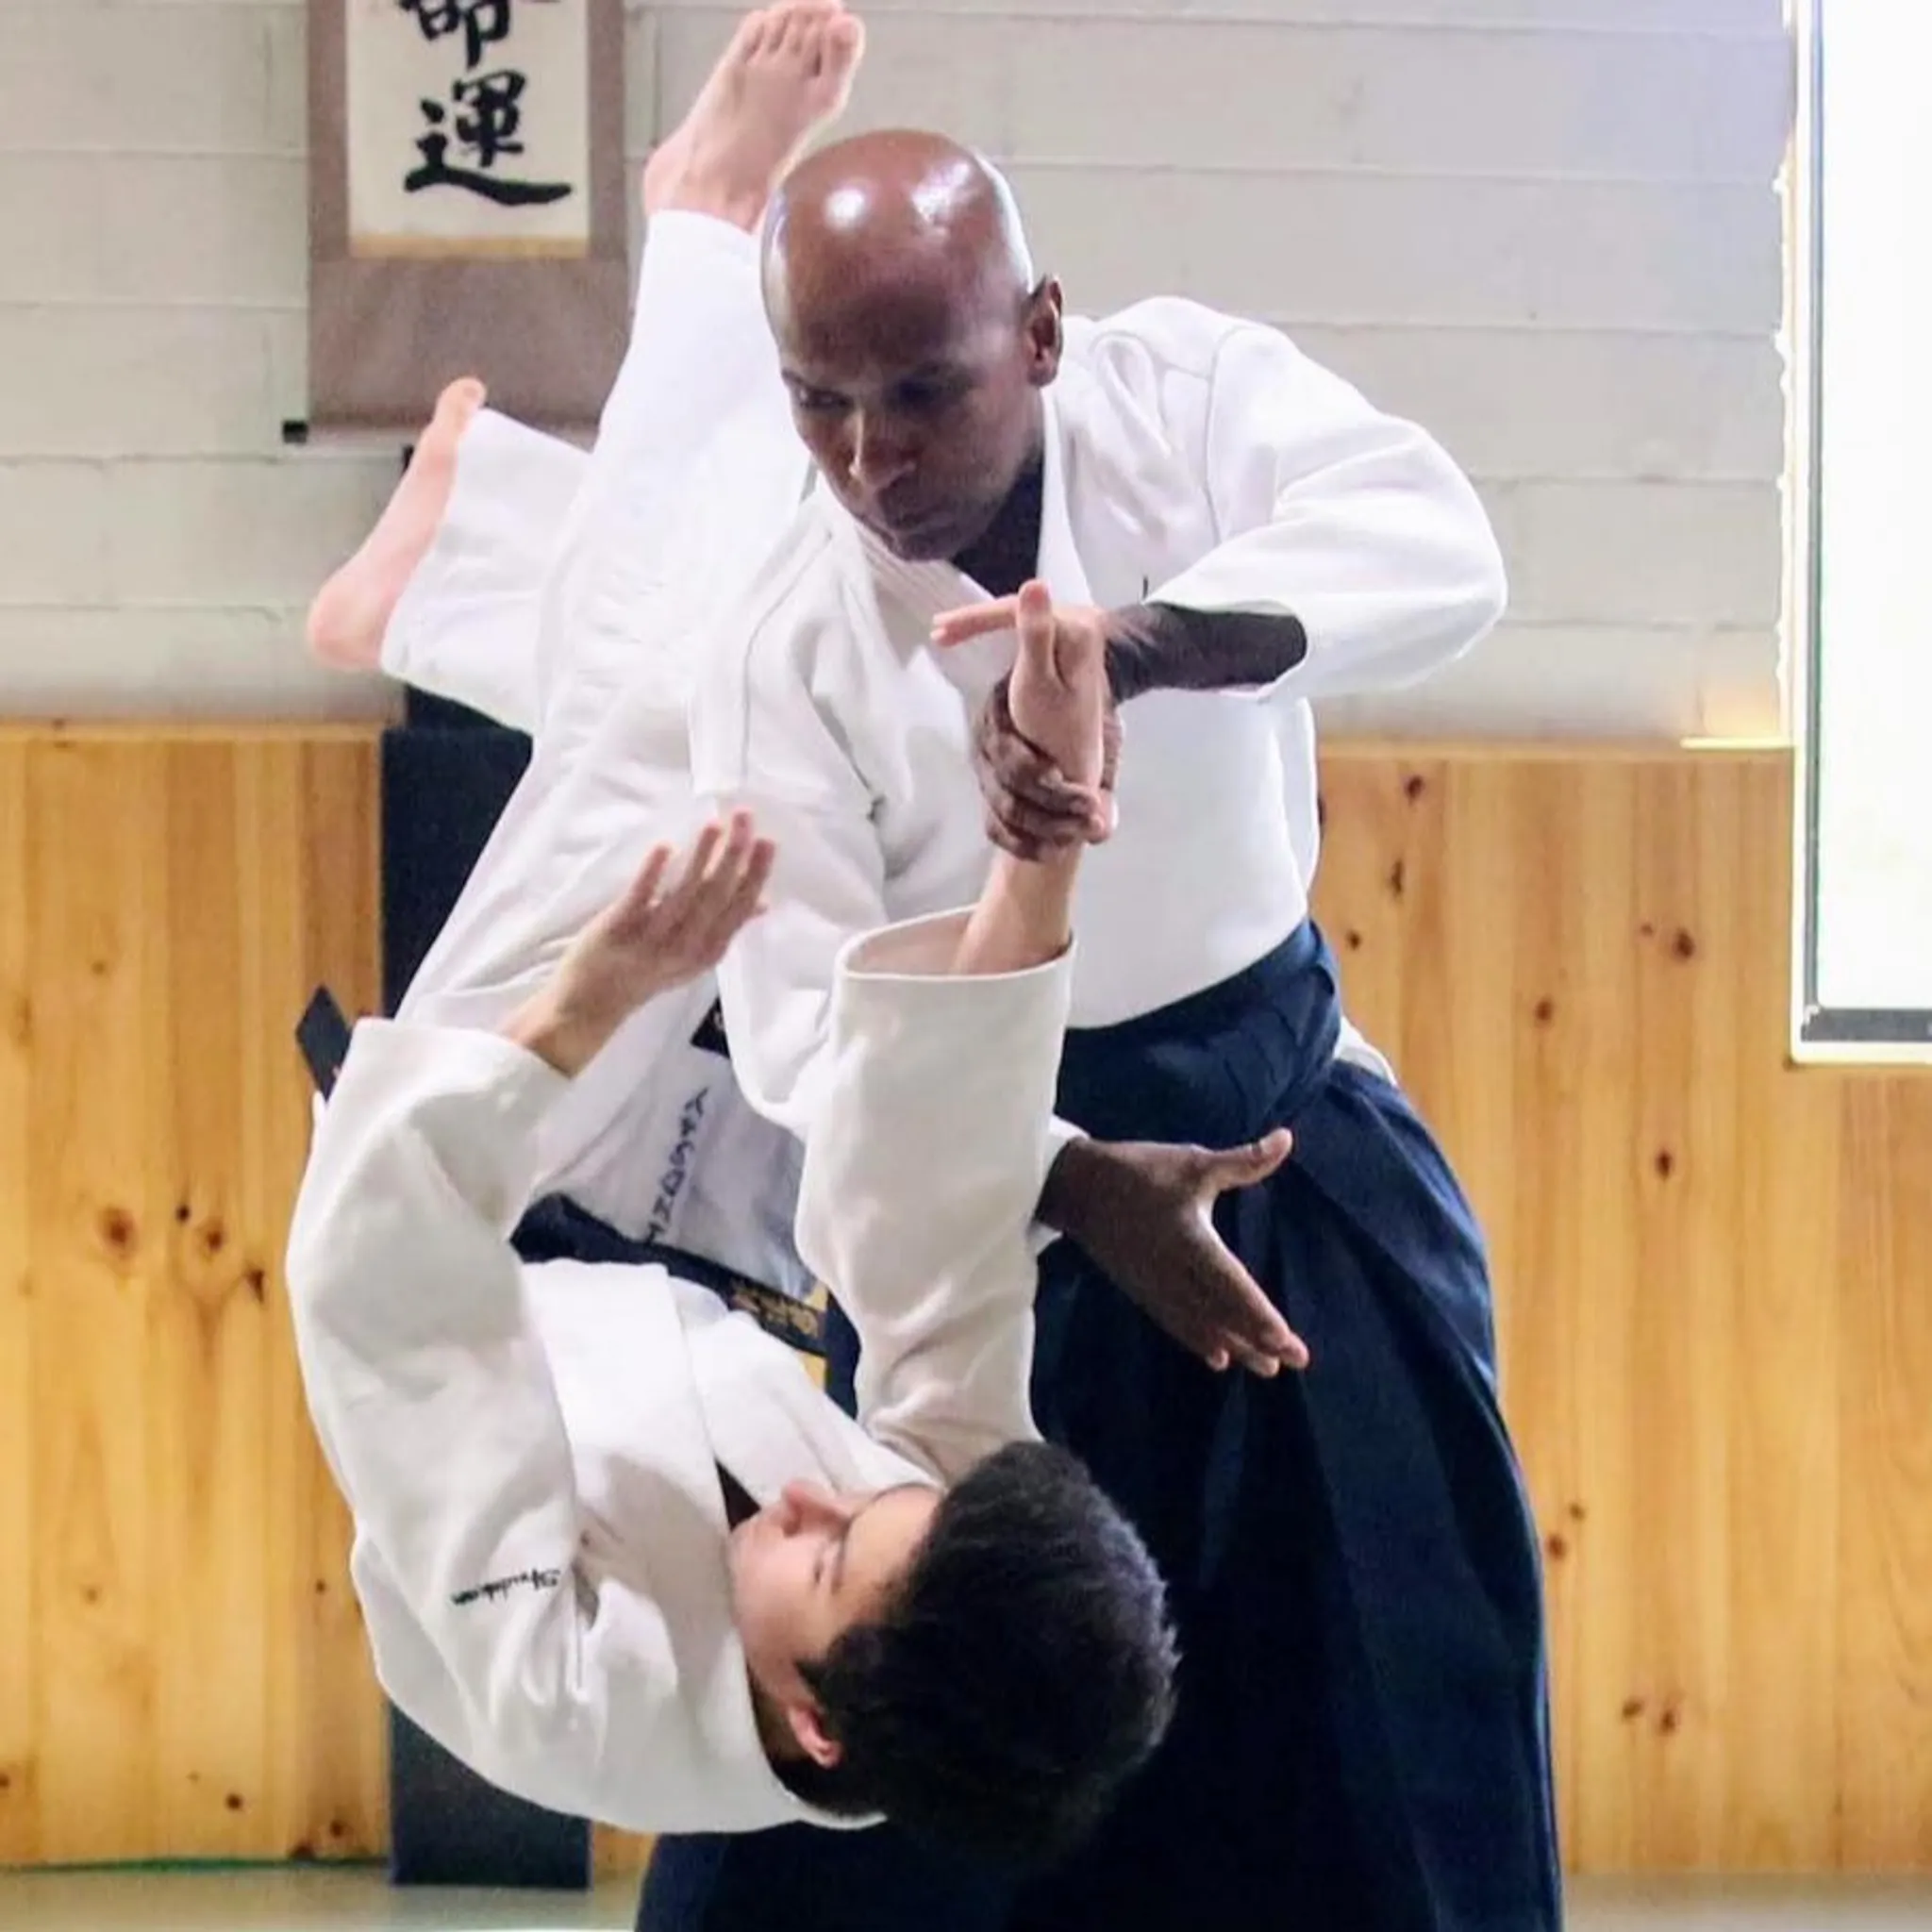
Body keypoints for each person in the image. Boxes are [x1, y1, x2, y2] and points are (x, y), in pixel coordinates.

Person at [657, 134, 1561, 1932]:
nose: (871, 457)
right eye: (819, 403)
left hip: (1285, 1152)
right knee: (900, 1805)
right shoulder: (779, 633)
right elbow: (799, 1045)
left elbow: (1442, 549)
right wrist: (1067, 1181)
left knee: (1396, 1737)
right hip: (976, 1244)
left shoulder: (1190, 399)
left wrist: (1140, 648)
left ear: (1043, 333)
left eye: (922, 392)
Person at [307, 7, 1304, 1384]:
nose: (870, 450)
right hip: (613, 1186)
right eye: (825, 402)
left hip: (624, 1212)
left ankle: (477, 548)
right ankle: (489, 530)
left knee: (663, 740)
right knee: (675, 761)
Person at [284, 561, 1182, 1859]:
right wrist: (1039, 856)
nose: (823, 1500)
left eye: (821, 1562)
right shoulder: (941, 1577)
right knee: (792, 751)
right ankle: (438, 583)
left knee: (652, 754)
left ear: (815, 1725)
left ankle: (444, 574)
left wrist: (581, 1012)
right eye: (863, 1511)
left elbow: (389, 1318)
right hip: (688, 1238)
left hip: (456, 1189)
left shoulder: (560, 1693)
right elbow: (948, 1230)